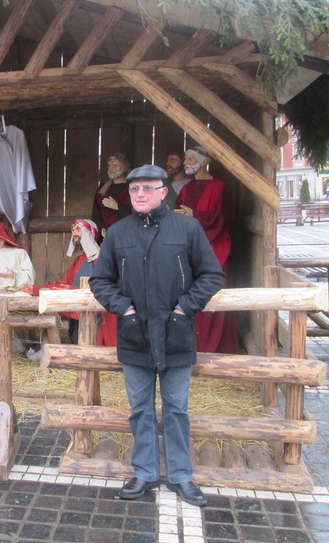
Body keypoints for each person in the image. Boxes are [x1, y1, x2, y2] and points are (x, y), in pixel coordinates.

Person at [90, 164, 224, 507]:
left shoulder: (187, 228)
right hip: (135, 334)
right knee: (141, 409)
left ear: (164, 191)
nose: (140, 195)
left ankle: (182, 476)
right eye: (135, 190)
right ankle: (145, 473)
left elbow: (211, 275)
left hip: (176, 333)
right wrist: (125, 310)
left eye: (148, 188)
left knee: (177, 409)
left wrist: (184, 309)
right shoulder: (118, 233)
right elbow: (100, 280)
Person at [174, 146, 237, 354]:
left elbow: (222, 218)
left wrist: (195, 216)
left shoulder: (219, 187)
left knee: (211, 295)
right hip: (188, 251)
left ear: (203, 162)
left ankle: (211, 346)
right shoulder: (185, 189)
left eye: (190, 159)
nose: (185, 163)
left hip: (213, 249)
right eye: (185, 159)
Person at [20, 219, 116, 347]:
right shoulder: (80, 260)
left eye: (78, 229)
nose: (74, 233)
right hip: (79, 312)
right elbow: (62, 284)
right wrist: (35, 290)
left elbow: (103, 288)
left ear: (90, 233)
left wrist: (71, 291)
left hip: (97, 316)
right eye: (73, 230)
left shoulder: (102, 259)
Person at [92, 153, 132, 240]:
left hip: (125, 237)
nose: (111, 168)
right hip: (105, 238)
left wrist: (118, 207)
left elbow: (136, 215)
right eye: (109, 165)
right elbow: (96, 215)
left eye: (115, 165)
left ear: (124, 167)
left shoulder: (131, 189)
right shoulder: (101, 190)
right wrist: (102, 230)